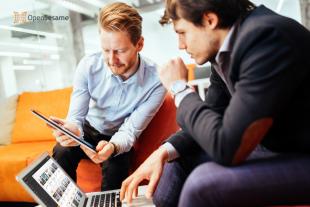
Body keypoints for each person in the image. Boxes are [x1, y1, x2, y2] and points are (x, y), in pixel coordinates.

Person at [120, 0, 310, 206]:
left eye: (182, 32)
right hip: (278, 146)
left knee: (203, 185)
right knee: (176, 160)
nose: (180, 45)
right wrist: (163, 151)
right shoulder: (227, 49)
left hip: (301, 153)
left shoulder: (267, 37)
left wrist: (179, 89)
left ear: (209, 20)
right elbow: (214, 110)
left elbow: (227, 148)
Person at [51, 2, 166, 191]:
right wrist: (72, 129)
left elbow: (130, 131)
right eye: (106, 50)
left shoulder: (157, 81)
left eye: (120, 51)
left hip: (117, 135)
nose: (111, 60)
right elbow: (76, 118)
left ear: (139, 44)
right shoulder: (88, 66)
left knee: (116, 170)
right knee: (61, 150)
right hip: (87, 130)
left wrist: (112, 146)